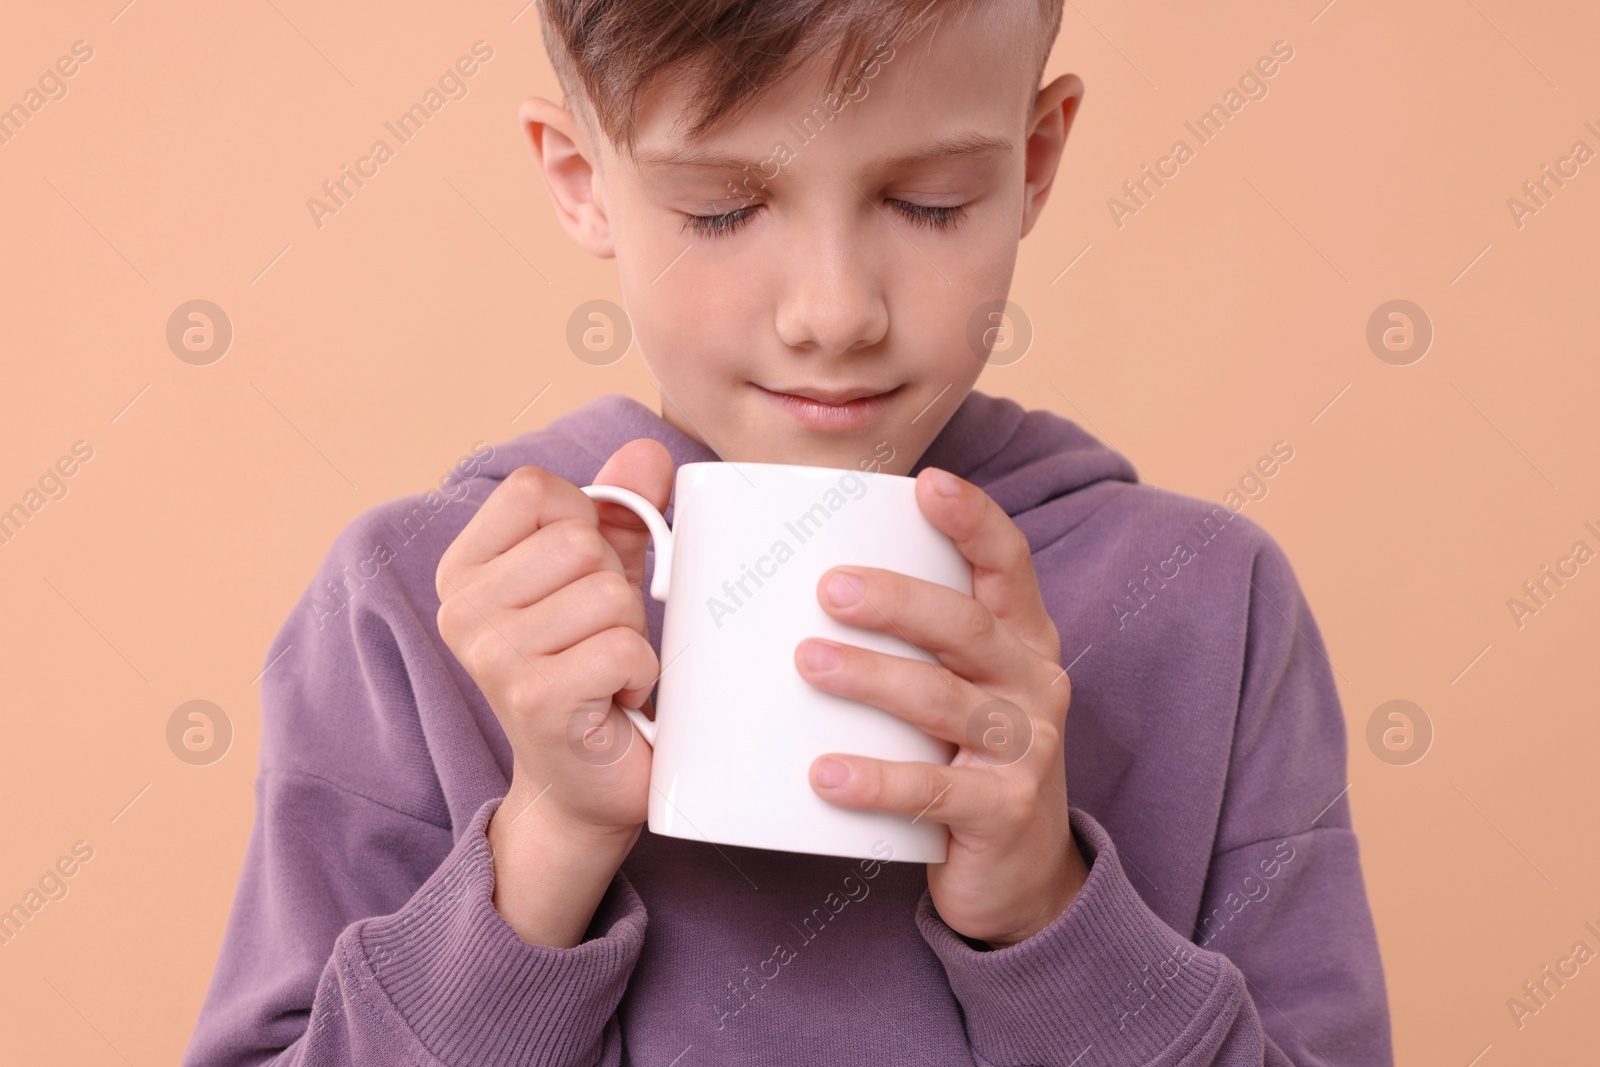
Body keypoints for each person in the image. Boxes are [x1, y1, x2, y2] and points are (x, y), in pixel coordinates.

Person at [182, 1, 1392, 1063]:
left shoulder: (1206, 603)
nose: (833, 312)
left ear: (1033, 159)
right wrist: (545, 842)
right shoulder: (424, 602)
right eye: (720, 209)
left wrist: (1046, 909)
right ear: (578, 178)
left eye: (930, 203)